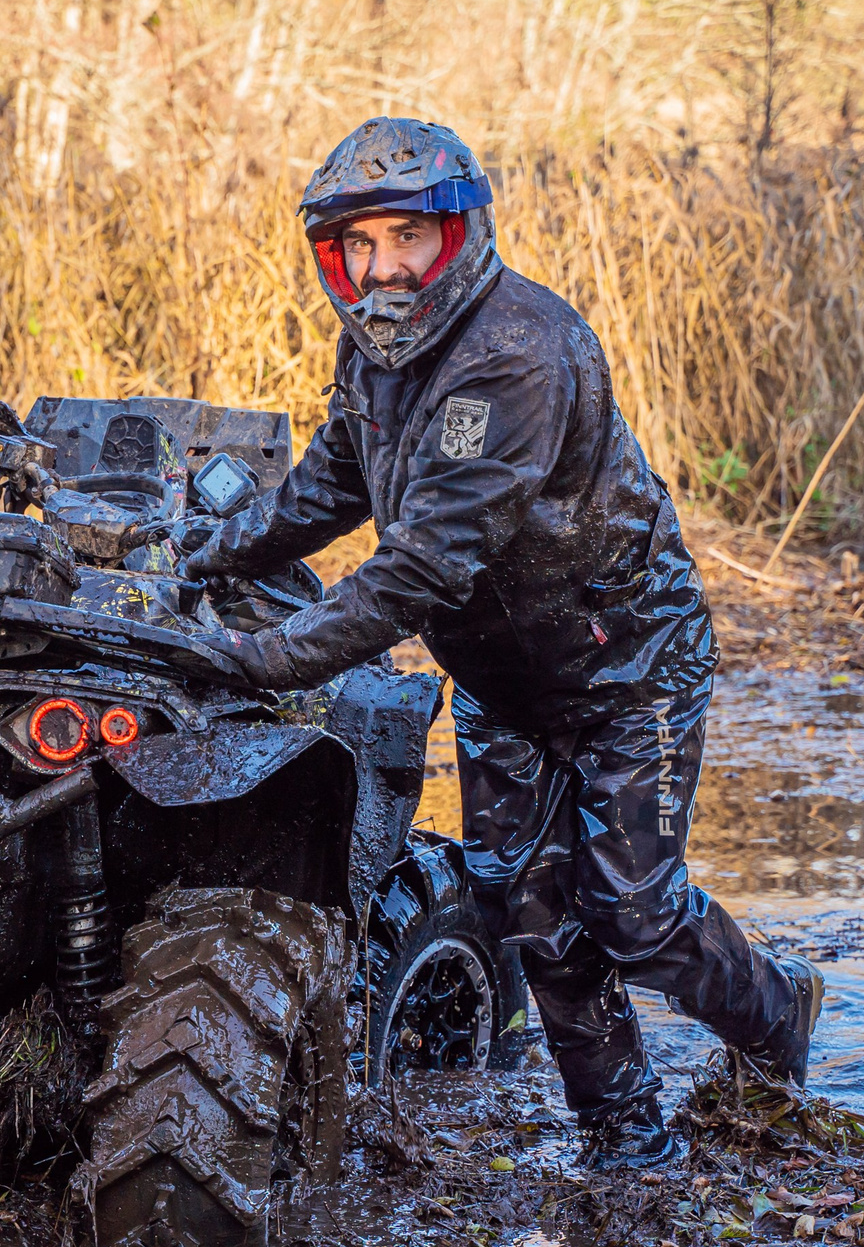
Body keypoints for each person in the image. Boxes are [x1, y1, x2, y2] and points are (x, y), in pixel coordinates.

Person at [179, 115, 822, 1171]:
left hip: (627, 667)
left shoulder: (520, 352)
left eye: (406, 241)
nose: (383, 267)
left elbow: (426, 564)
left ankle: (775, 1016)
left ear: (456, 233)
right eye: (360, 246)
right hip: (496, 675)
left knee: (634, 915)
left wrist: (271, 657)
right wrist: (207, 557)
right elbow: (328, 488)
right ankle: (628, 1144)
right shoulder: (370, 349)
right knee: (525, 911)